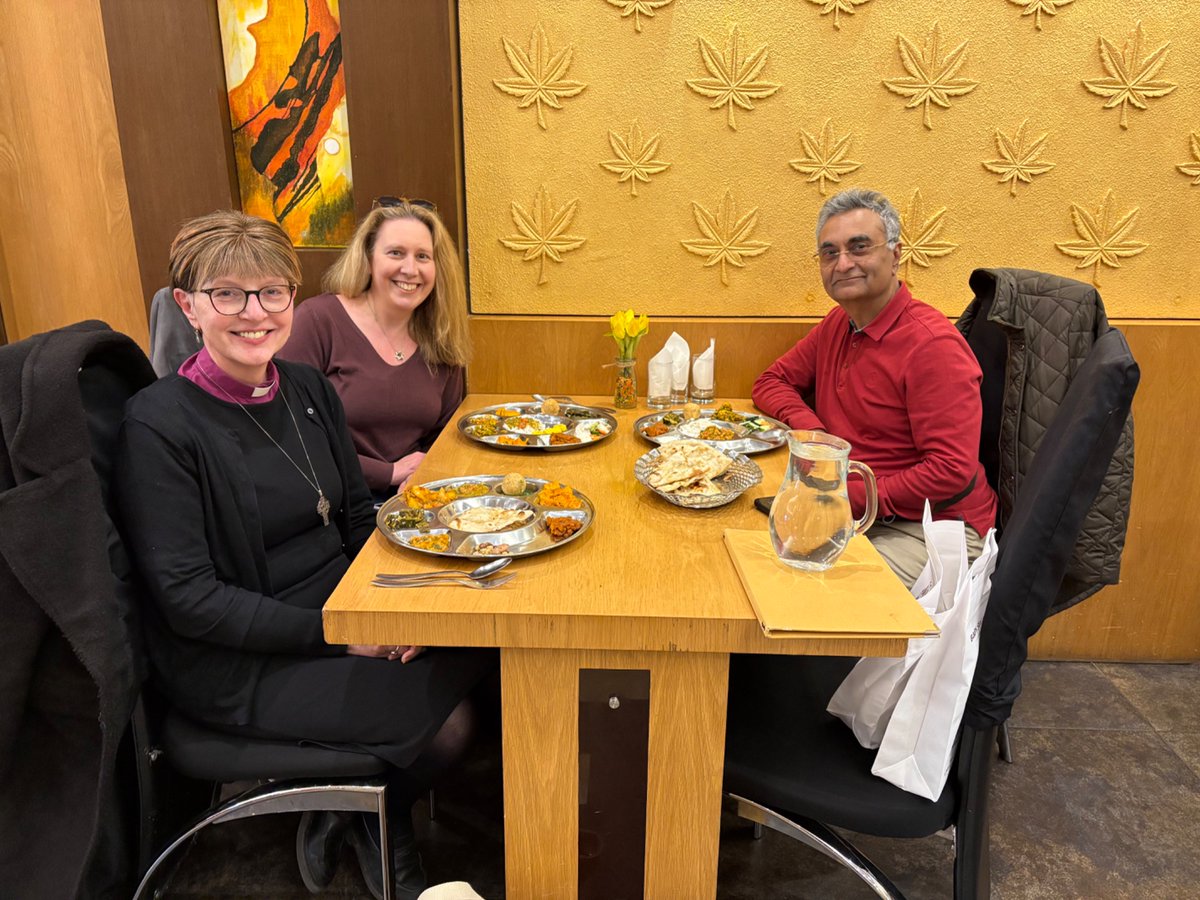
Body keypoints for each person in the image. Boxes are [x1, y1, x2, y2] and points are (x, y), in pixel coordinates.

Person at [115, 211, 494, 900]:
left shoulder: (307, 390)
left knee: (493, 640)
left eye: (271, 293)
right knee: (449, 723)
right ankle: (375, 816)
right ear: (188, 305)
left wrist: (389, 606)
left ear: (292, 298)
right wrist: (344, 636)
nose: (253, 313)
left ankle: (346, 801)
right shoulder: (158, 424)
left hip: (338, 607)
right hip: (239, 656)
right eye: (227, 293)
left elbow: (354, 517)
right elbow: (190, 599)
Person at [752, 188, 998, 586]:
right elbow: (772, 381)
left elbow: (950, 471)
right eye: (830, 253)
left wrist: (844, 498)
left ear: (896, 254)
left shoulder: (932, 345)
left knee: (799, 589)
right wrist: (817, 435)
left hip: (931, 526)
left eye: (859, 247)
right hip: (855, 507)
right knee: (753, 559)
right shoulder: (840, 323)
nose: (843, 263)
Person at [279, 198, 470, 497]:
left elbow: (443, 435)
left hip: (413, 499)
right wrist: (388, 473)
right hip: (330, 505)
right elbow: (290, 434)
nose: (410, 269)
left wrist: (425, 475)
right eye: (396, 253)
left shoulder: (440, 333)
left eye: (423, 256)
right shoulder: (318, 320)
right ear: (368, 258)